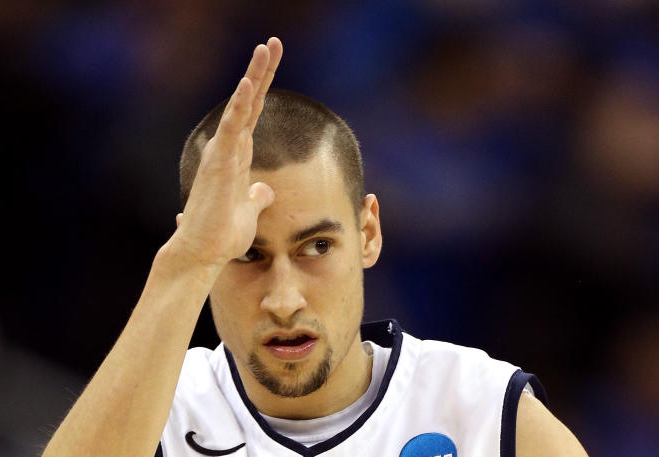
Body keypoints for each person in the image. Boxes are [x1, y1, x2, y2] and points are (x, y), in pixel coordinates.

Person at [41, 37, 587, 457]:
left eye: (317, 246)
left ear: (368, 233)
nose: (284, 300)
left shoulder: (483, 409)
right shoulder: (157, 409)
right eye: (246, 254)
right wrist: (187, 262)